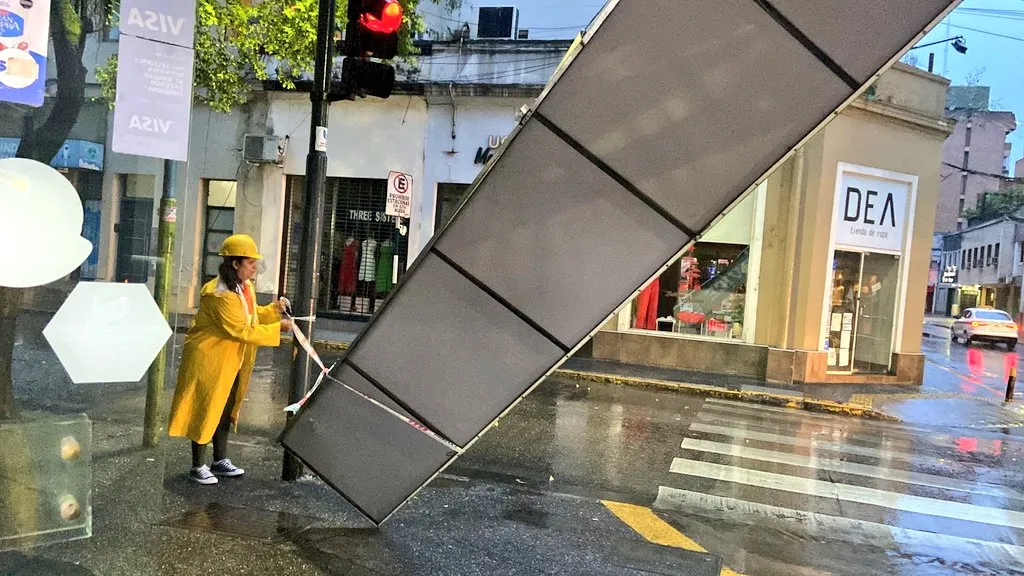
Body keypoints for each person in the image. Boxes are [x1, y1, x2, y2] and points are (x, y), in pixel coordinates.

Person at [168, 234, 293, 485]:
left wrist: (273, 310)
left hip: (231, 358)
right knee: (207, 407)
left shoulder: (243, 287)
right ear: (235, 263)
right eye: (250, 262)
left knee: (226, 407)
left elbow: (250, 316)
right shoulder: (219, 294)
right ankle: (197, 465)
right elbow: (241, 329)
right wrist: (278, 327)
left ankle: (219, 459)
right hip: (210, 358)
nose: (254, 267)